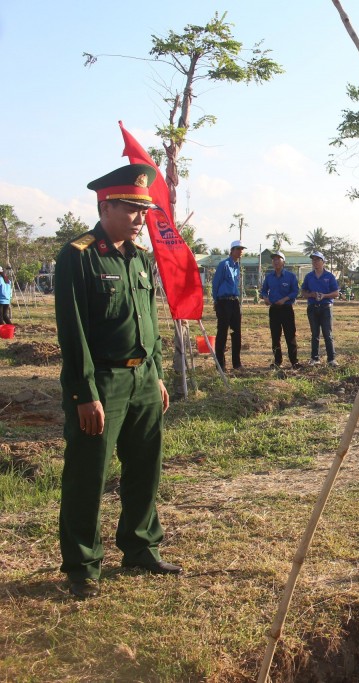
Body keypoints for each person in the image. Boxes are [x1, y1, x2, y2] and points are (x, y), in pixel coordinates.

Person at [53, 163, 180, 600]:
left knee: (145, 467)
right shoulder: (79, 255)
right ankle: (83, 565)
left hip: (143, 378)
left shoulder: (141, 259)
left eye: (144, 209)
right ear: (105, 206)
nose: (141, 217)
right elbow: (73, 332)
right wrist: (84, 393)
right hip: (103, 381)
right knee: (89, 473)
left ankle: (141, 545)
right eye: (132, 208)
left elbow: (150, 322)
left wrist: (158, 375)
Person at [259, 251, 300, 368]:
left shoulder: (290, 276)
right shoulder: (269, 277)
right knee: (275, 336)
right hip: (274, 310)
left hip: (286, 309)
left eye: (278, 259)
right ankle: (277, 361)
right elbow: (263, 290)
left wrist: (285, 299)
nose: (276, 261)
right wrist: (265, 297)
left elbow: (295, 291)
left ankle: (294, 361)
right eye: (274, 259)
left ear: (283, 262)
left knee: (290, 335)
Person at [300, 251, 340, 366]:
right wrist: (311, 294)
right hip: (313, 307)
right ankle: (314, 358)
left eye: (318, 260)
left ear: (323, 262)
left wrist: (324, 295)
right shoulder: (309, 276)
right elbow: (303, 292)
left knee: (327, 334)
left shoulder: (329, 276)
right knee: (315, 334)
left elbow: (336, 293)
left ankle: (331, 359)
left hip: (326, 308)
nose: (315, 262)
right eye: (313, 260)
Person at [211, 240, 245, 370]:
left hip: (234, 301)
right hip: (223, 301)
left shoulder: (237, 266)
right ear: (232, 250)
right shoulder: (224, 265)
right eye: (238, 249)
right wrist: (216, 300)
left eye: (241, 249)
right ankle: (220, 364)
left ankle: (237, 363)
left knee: (236, 332)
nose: (240, 251)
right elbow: (216, 284)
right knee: (222, 332)